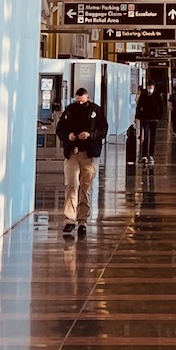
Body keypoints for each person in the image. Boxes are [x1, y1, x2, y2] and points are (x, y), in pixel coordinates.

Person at [54, 84, 107, 238]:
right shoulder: (69, 110)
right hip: (72, 154)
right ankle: (70, 218)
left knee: (85, 187)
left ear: (88, 98)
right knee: (71, 184)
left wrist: (91, 135)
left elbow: (104, 130)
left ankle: (82, 219)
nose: (80, 104)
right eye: (78, 101)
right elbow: (60, 130)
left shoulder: (96, 111)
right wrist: (68, 136)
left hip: (89, 155)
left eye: (83, 101)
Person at [135, 82, 164, 165]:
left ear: (154, 87)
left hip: (154, 120)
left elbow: (161, 107)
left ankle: (151, 155)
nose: (150, 88)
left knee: (153, 138)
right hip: (145, 119)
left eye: (151, 87)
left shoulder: (157, 95)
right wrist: (138, 116)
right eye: (148, 87)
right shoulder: (143, 95)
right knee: (145, 137)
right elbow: (139, 105)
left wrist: (159, 117)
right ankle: (144, 155)